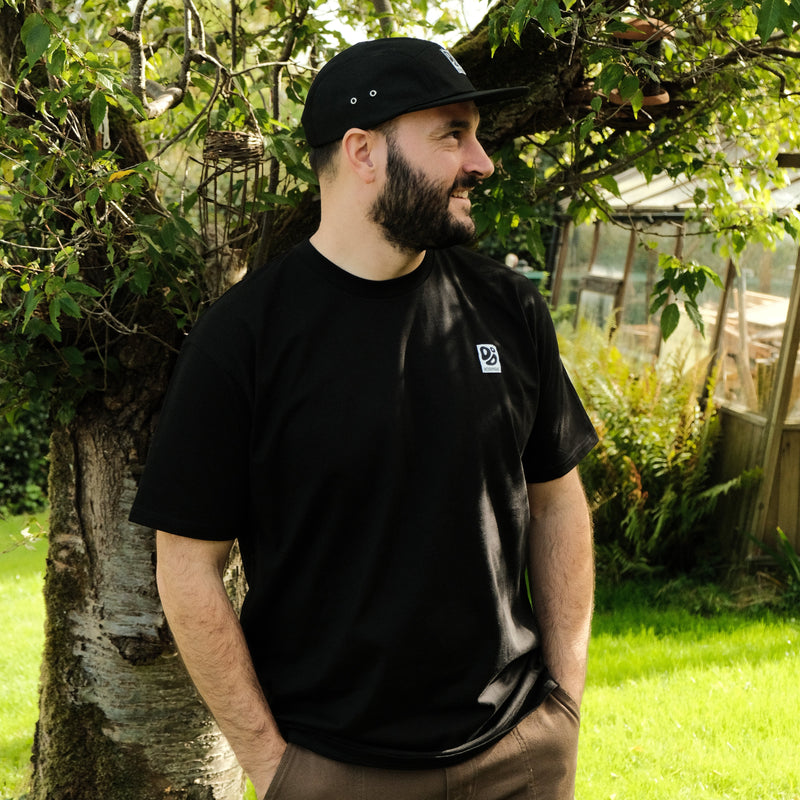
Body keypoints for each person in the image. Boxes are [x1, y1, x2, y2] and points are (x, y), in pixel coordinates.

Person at [130, 37, 598, 800]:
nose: (481, 162)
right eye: (453, 134)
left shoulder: (508, 309)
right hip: (336, 771)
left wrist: (563, 700)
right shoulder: (244, 338)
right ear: (363, 152)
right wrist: (276, 769)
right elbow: (185, 566)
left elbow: (555, 497)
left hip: (519, 754)